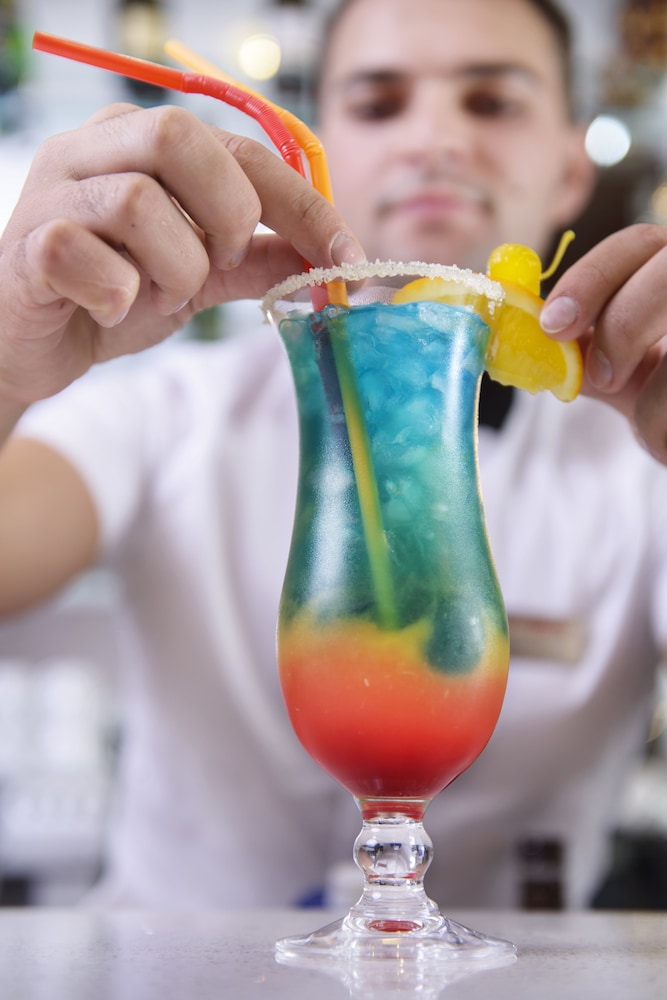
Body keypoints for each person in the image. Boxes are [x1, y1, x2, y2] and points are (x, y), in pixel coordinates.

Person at [1, 0, 666, 910]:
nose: (433, 139)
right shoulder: (163, 411)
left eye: (490, 102)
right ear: (323, 158)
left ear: (567, 169)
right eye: (378, 103)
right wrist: (7, 369)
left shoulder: (638, 459)